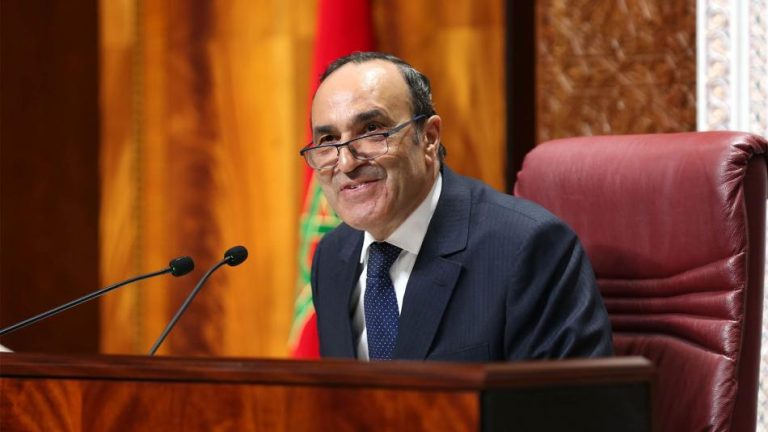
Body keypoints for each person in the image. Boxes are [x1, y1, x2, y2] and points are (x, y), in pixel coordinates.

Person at [301, 52, 612, 361]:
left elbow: (569, 393)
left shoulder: (527, 249)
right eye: (328, 140)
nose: (346, 162)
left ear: (429, 138)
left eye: (372, 130)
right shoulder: (332, 257)